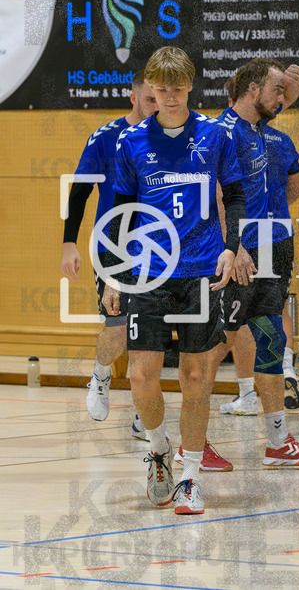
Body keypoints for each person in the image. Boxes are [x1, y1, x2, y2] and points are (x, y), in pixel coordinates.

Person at [101, 46, 245, 514]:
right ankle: (159, 447)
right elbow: (122, 214)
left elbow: (237, 195)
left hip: (202, 269)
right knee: (142, 374)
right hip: (148, 271)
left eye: (177, 89)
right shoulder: (131, 142)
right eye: (160, 90)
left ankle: (190, 477)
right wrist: (114, 274)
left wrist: (231, 245)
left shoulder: (216, 136)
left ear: (190, 86)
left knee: (196, 376)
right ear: (149, 91)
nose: (169, 98)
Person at [211, 57, 299, 469]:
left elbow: (281, 99)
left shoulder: (262, 130)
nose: (285, 100)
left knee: (272, 338)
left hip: (271, 247)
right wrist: (234, 245)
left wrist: (289, 81)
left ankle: (278, 442)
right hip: (237, 252)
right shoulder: (221, 132)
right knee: (214, 343)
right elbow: (216, 197)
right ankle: (196, 439)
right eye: (276, 91)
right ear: (254, 90)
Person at [62, 72, 156, 439]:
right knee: (118, 330)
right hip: (113, 246)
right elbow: (79, 192)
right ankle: (101, 375)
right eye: (150, 99)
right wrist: (68, 243)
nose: (156, 106)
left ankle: (141, 410)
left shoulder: (169, 138)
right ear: (133, 98)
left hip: (156, 248)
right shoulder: (106, 138)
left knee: (150, 332)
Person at [216, 76, 299, 411]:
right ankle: (287, 371)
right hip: (279, 235)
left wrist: (234, 242)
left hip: (244, 239)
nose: (281, 99)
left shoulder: (227, 133)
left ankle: (247, 391)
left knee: (234, 322)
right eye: (276, 91)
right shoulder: (280, 139)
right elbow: (293, 191)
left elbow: (218, 197)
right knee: (274, 310)